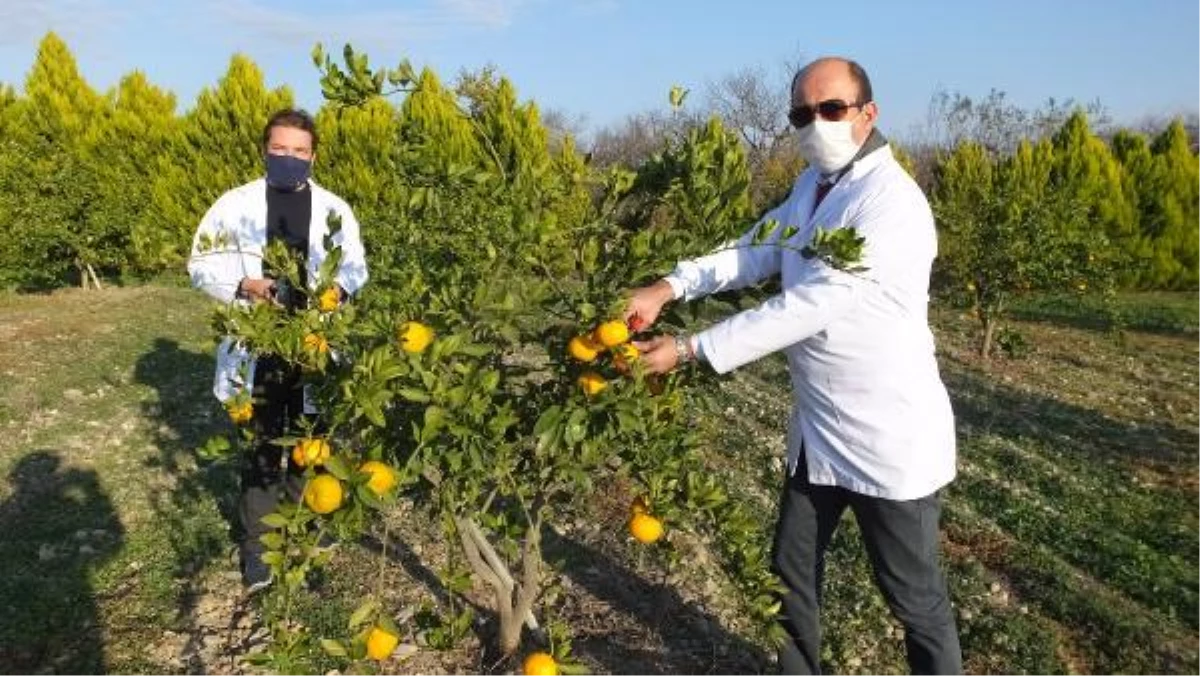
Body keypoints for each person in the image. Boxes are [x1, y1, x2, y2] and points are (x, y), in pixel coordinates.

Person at [624, 57, 962, 674]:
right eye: (802, 114)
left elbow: (811, 305)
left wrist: (692, 348)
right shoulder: (814, 187)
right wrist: (668, 287)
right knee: (790, 572)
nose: (816, 124)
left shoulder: (891, 204)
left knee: (913, 598)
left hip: (889, 436)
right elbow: (754, 253)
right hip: (819, 431)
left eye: (831, 110)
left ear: (868, 114)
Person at [187, 108, 368, 592]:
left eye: (300, 151)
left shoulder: (335, 209)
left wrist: (338, 292)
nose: (290, 158)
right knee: (265, 450)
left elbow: (355, 267)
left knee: (312, 446)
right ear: (266, 150)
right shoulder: (233, 205)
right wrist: (245, 285)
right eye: (280, 149)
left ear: (313, 155)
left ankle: (306, 537)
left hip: (314, 344)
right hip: (260, 343)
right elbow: (200, 264)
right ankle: (260, 552)